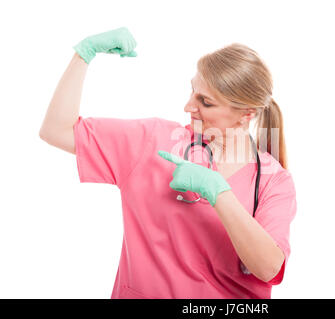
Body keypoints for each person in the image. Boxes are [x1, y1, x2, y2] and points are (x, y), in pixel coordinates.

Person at [39, 27, 297, 299]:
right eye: (192, 91)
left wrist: (219, 193)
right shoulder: (152, 141)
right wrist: (84, 54)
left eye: (205, 102)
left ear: (246, 115)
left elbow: (269, 268)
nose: (188, 106)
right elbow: (56, 131)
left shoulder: (272, 180)